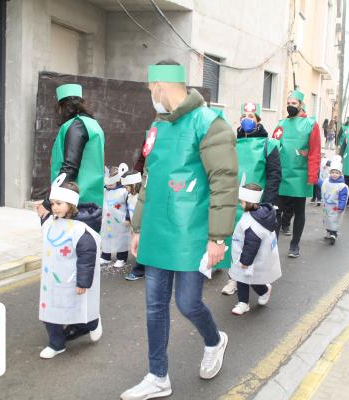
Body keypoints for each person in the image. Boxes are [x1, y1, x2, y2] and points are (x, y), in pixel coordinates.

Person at [121, 61, 237, 400]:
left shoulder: (209, 123)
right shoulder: (157, 127)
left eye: (150, 88)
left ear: (161, 85)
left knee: (188, 303)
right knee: (154, 306)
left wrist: (218, 237)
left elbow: (224, 182)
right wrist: (138, 227)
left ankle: (215, 340)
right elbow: (149, 180)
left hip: (192, 233)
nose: (150, 95)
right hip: (157, 230)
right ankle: (158, 376)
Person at [221, 102, 282, 296]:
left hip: (255, 204)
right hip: (233, 201)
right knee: (233, 240)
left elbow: (274, 175)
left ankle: (258, 283)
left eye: (251, 117)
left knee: (252, 243)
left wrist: (269, 203)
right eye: (243, 117)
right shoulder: (232, 143)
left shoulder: (268, 144)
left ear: (258, 121)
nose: (246, 120)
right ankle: (234, 278)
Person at [39, 176, 102, 359]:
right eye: (52, 203)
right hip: (51, 281)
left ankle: (93, 323)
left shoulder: (81, 230)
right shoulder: (51, 222)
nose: (54, 207)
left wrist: (83, 282)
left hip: (72, 281)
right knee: (51, 312)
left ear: (71, 204)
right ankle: (56, 344)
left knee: (78, 309)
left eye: (59, 203)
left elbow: (86, 258)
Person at [36, 84, 105, 222]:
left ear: (62, 108)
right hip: (92, 201)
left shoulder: (76, 125)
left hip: (73, 203)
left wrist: (48, 203)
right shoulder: (93, 124)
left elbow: (69, 168)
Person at [272, 89, 321, 258]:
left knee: (299, 211)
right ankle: (272, 245)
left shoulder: (311, 124)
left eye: (294, 103)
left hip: (301, 176)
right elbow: (273, 147)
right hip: (282, 175)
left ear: (301, 105)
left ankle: (295, 245)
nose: (290, 106)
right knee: (276, 211)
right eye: (288, 103)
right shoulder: (281, 124)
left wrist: (312, 176)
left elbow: (315, 151)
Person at [229, 184, 281, 315]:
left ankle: (263, 291)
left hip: (249, 257)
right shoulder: (260, 213)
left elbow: (251, 244)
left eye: (241, 201)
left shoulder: (252, 222)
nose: (240, 204)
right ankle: (243, 302)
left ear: (247, 202)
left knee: (250, 278)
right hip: (254, 256)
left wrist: (245, 261)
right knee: (242, 278)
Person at [100, 164, 130, 268]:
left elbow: (129, 205)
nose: (108, 186)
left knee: (121, 239)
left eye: (111, 184)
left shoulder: (124, 192)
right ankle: (105, 256)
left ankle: (121, 258)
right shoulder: (104, 190)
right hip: (106, 220)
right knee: (105, 237)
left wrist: (128, 217)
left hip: (120, 221)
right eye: (107, 184)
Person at [319, 156, 348, 244]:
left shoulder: (342, 186)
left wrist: (341, 206)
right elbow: (322, 184)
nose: (334, 174)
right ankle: (328, 231)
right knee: (327, 218)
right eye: (332, 172)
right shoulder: (327, 181)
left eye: (336, 173)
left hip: (336, 207)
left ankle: (333, 234)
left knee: (334, 220)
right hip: (327, 206)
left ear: (340, 174)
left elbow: (343, 197)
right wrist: (315, 180)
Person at [123, 170, 146, 281]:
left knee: (141, 249)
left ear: (133, 185)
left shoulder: (141, 197)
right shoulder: (129, 196)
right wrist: (128, 218)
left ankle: (139, 271)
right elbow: (128, 208)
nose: (125, 189)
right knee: (138, 248)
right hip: (135, 228)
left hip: (142, 229)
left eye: (126, 186)